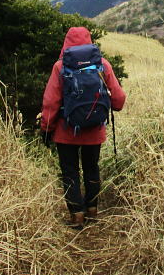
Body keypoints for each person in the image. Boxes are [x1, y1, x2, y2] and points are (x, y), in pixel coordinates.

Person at [40, 26, 126, 229]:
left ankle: (76, 215)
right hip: (94, 130)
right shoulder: (102, 64)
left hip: (65, 131)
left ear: (66, 43)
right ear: (90, 40)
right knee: (91, 168)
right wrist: (112, 107)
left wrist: (46, 129)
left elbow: (51, 103)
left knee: (70, 172)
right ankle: (92, 210)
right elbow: (119, 98)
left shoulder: (60, 67)